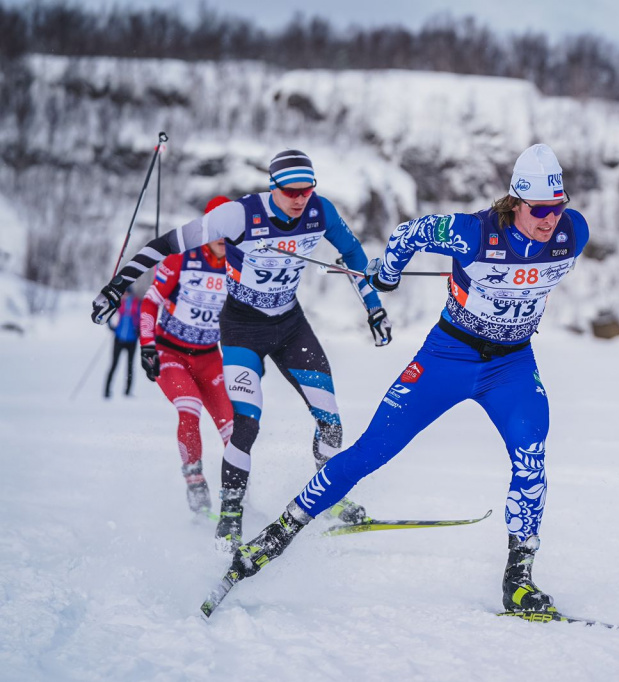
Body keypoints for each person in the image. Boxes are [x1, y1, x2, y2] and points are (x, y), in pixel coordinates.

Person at [215, 143, 590, 615]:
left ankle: (519, 580)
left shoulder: (574, 233)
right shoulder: (470, 232)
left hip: (511, 366)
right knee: (372, 450)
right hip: (448, 357)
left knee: (531, 458)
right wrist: (387, 275)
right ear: (516, 200)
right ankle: (276, 535)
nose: (550, 218)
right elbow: (408, 234)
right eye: (540, 209)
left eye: (558, 207)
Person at [92, 150, 391, 550]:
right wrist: (117, 285)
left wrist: (374, 307)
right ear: (273, 187)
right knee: (246, 425)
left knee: (331, 422)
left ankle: (330, 498)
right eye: (291, 191)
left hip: (290, 326)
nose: (300, 198)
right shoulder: (237, 216)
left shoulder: (321, 212)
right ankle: (229, 517)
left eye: (307, 189)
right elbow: (164, 244)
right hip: (242, 331)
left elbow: (353, 257)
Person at [139, 196, 234, 516]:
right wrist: (147, 345)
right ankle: (195, 483)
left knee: (234, 428)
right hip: (171, 354)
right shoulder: (182, 258)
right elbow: (150, 302)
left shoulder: (240, 264)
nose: (224, 238)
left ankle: (237, 499)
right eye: (217, 230)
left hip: (210, 357)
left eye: (230, 230)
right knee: (189, 409)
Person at [104, 288, 141, 398]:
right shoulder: (120, 302)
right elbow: (109, 312)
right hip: (119, 338)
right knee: (115, 365)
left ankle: (127, 391)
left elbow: (141, 318)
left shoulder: (136, 303)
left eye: (126, 293)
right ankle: (107, 391)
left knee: (129, 366)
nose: (125, 295)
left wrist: (138, 330)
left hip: (131, 339)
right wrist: (111, 325)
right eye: (124, 293)